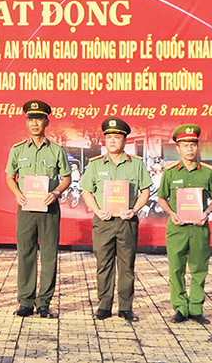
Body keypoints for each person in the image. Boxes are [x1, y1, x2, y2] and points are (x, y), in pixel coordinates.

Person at [80, 117, 152, 322]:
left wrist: (135, 209)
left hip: (126, 222)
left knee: (127, 265)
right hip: (103, 222)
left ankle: (126, 308)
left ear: (124, 140)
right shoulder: (95, 165)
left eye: (117, 137)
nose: (113, 141)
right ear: (105, 140)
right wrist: (97, 210)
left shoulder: (136, 164)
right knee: (104, 265)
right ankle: (104, 306)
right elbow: (86, 191)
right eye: (109, 137)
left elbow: (145, 191)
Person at [5, 100, 71, 318]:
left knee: (49, 255)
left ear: (46, 122)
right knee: (25, 254)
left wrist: (56, 193)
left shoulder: (57, 151)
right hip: (26, 209)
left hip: (48, 209)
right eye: (30, 119)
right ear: (27, 123)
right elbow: (9, 175)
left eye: (39, 119)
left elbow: (66, 178)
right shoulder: (17, 150)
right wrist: (17, 194)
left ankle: (44, 302)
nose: (34, 123)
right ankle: (25, 301)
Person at [157, 124, 212, 324]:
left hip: (199, 227)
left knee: (199, 268)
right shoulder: (170, 173)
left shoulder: (207, 173)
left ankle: (196, 308)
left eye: (192, 145)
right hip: (177, 227)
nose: (189, 149)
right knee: (176, 268)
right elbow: (161, 198)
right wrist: (171, 213)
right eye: (185, 145)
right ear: (178, 148)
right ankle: (179, 308)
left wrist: (206, 212)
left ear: (197, 147)